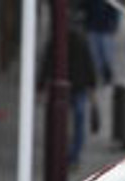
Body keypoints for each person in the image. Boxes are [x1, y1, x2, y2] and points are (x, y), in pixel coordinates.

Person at [41, 21, 98, 169]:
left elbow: (47, 62)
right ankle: (73, 156)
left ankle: (66, 154)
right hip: (78, 87)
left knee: (63, 122)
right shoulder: (80, 40)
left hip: (71, 87)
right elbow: (89, 64)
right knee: (77, 122)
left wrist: (40, 84)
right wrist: (92, 89)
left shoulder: (57, 41)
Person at [84, 0, 119, 84]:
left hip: (106, 29)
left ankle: (107, 76)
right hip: (93, 28)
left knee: (107, 56)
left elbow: (115, 11)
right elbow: (86, 7)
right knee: (96, 57)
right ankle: (100, 77)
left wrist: (114, 25)